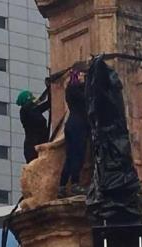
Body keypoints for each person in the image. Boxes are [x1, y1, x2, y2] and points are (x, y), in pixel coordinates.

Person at [58, 69, 88, 198]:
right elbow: (86, 97)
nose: (83, 77)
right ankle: (75, 184)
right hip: (78, 125)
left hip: (71, 124)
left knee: (70, 156)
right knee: (78, 154)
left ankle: (62, 186)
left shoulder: (70, 90)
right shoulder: (76, 90)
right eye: (81, 74)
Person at [16, 90, 49, 164]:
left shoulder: (34, 110)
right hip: (32, 148)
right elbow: (39, 100)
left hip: (41, 145)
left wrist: (49, 90)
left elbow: (48, 104)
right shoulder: (24, 111)